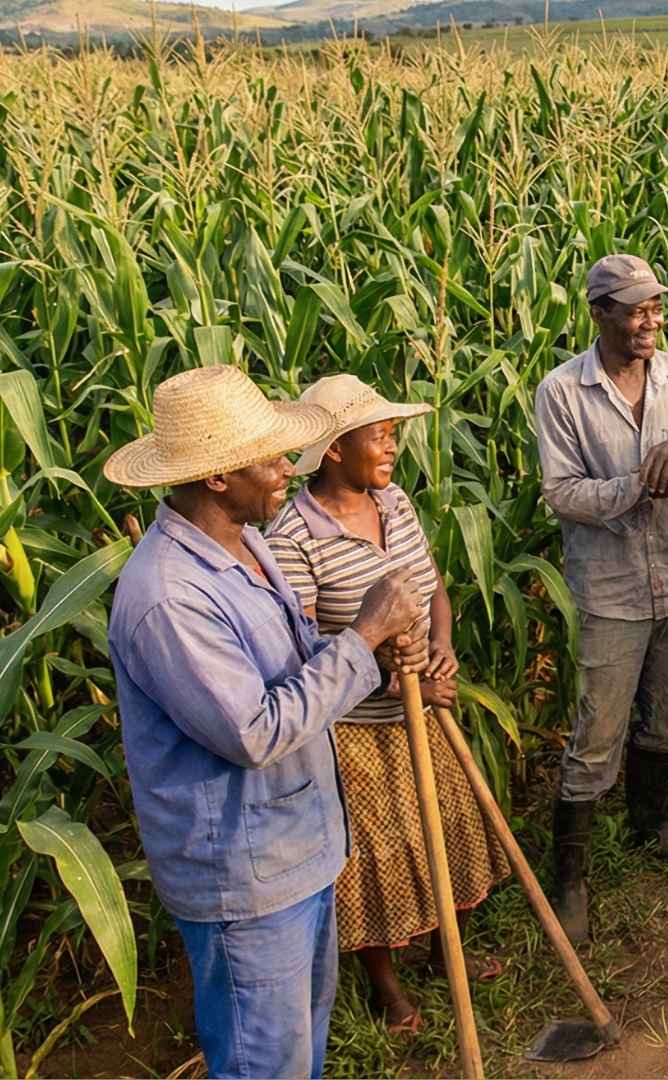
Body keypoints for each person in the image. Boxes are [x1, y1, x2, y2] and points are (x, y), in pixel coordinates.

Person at [105, 365, 425, 1079]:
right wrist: (364, 638)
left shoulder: (246, 543)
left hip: (296, 850)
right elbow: (254, 730)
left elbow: (293, 656)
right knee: (264, 1062)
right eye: (272, 456)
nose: (288, 468)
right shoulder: (168, 598)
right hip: (243, 878)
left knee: (297, 1053)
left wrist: (365, 647)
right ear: (218, 475)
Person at [264, 375, 512, 1036]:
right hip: (356, 730)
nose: (392, 444)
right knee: (375, 857)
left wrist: (442, 650)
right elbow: (307, 653)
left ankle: (446, 950)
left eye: (391, 431)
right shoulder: (294, 535)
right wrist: (392, 682)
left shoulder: (394, 501)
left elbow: (431, 587)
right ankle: (387, 985)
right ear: (335, 448)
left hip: (423, 711)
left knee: (447, 830)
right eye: (378, 434)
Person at [534, 254, 668, 941]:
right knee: (597, 735)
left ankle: (653, 829)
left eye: (655, 308)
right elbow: (561, 492)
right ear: (600, 314)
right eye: (634, 309)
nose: (649, 321)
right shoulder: (562, 392)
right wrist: (636, 485)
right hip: (612, 590)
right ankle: (572, 880)